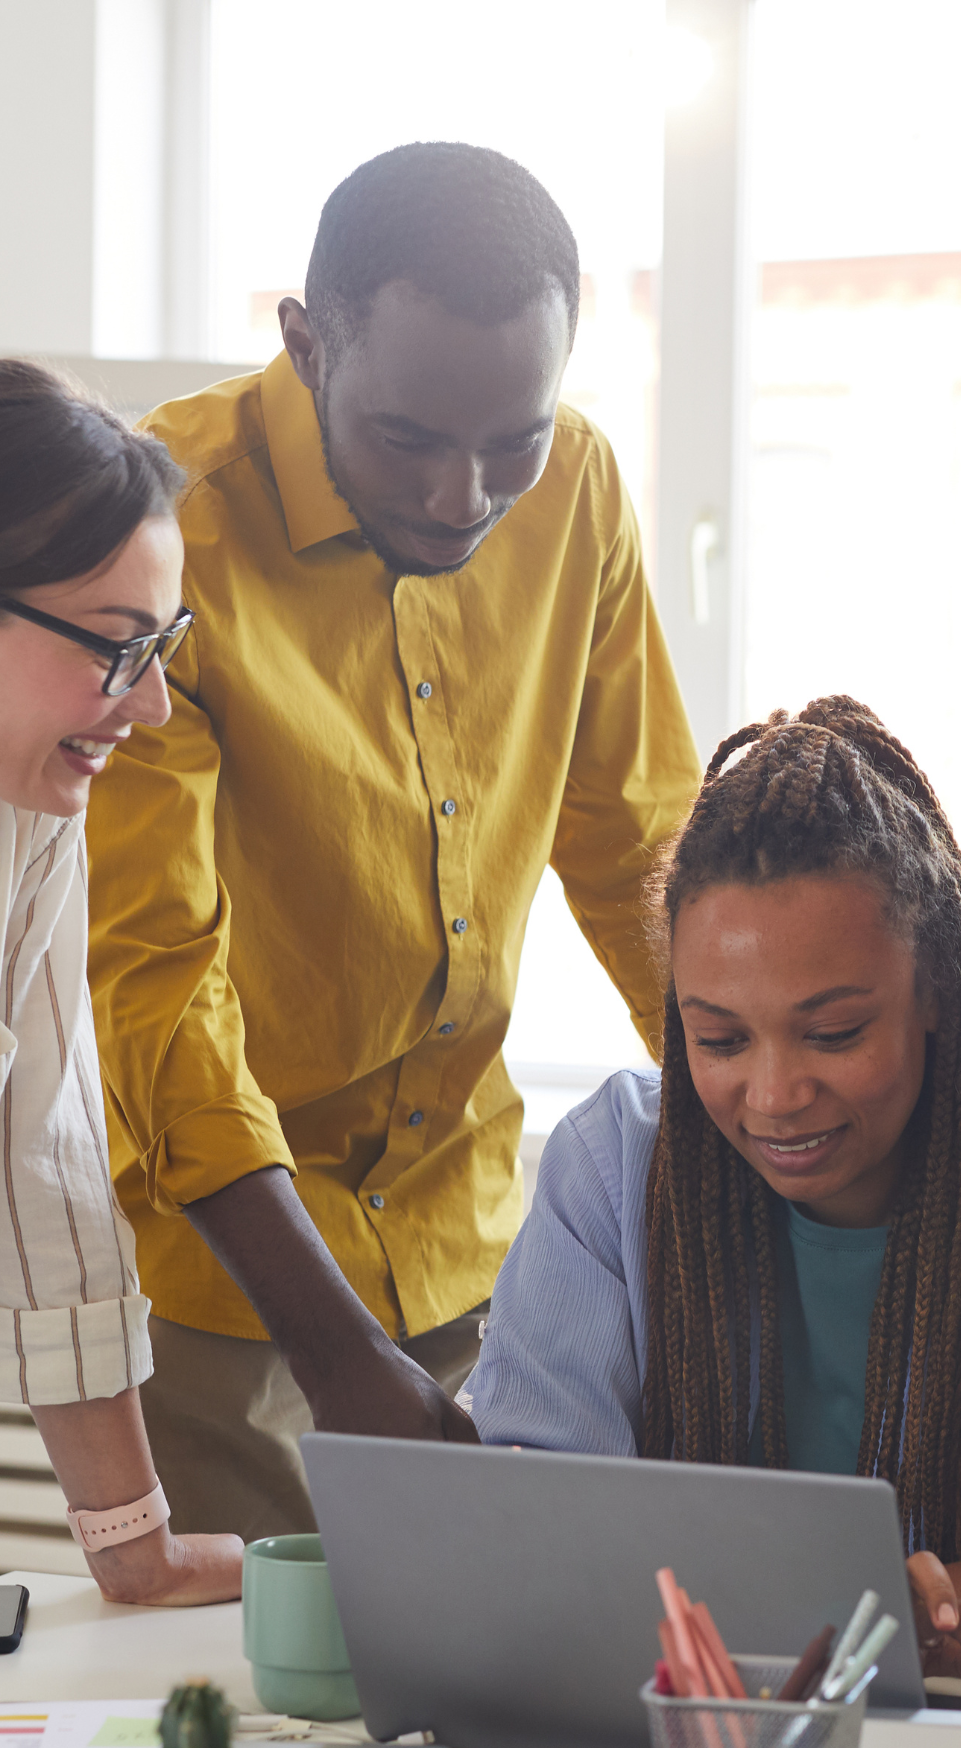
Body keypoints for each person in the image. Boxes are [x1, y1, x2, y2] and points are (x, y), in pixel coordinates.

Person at [84, 143, 701, 1540]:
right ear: (306, 342)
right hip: (228, 1277)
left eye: (511, 443)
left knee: (492, 1701)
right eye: (409, 440)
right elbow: (155, 976)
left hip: (476, 1242)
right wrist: (328, 1341)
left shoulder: (582, 487)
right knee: (260, 1728)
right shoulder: (162, 522)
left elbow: (641, 848)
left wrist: (773, 1130)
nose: (462, 497)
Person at [469, 698, 961, 1686]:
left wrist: (830, 1614)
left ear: (934, 994)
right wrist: (894, 1609)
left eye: (831, 1032)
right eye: (718, 1038)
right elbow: (521, 1537)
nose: (775, 1093)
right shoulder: (615, 1166)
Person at [1, 360, 240, 1604]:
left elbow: (47, 1166)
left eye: (162, 645)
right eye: (113, 645)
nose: (149, 703)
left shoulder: (33, 816)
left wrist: (133, 1545)